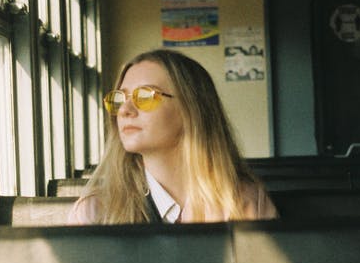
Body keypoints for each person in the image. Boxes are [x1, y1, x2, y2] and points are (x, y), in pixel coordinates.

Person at [67, 49, 277, 224]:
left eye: (146, 96)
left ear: (191, 109)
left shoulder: (244, 202)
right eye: (120, 98)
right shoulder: (93, 212)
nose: (125, 110)